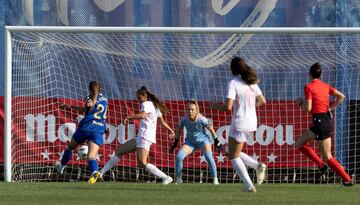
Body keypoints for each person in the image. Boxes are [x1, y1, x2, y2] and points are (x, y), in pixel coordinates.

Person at [95, 86, 175, 184]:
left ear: (144, 96)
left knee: (142, 163)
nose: (138, 100)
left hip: (144, 137)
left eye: (138, 97)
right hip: (141, 137)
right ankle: (101, 173)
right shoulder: (154, 106)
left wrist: (128, 117)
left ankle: (165, 177)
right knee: (120, 151)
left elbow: (142, 115)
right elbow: (162, 122)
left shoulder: (146, 104)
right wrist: (170, 130)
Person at [209, 57, 266, 192]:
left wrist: (215, 106)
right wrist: (250, 108)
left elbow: (228, 107)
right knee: (231, 150)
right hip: (252, 123)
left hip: (240, 123)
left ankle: (249, 186)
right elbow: (262, 101)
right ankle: (258, 166)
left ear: (233, 69)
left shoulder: (234, 82)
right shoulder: (251, 82)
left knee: (233, 157)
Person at [295, 62, 353, 186]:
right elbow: (341, 96)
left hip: (320, 122)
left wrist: (301, 103)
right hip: (324, 120)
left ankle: (346, 179)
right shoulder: (325, 86)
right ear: (320, 75)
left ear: (309, 74)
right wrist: (331, 108)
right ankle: (322, 166)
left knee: (327, 156)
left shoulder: (309, 87)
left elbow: (309, 108)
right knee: (299, 143)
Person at [55, 81, 108, 184]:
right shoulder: (105, 99)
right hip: (98, 130)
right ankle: (95, 172)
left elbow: (90, 105)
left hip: (85, 128)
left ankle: (61, 166)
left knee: (70, 147)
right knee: (91, 157)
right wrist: (71, 107)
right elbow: (87, 109)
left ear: (89, 89)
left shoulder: (89, 97)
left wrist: (90, 102)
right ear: (100, 89)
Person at [169, 100, 222, 185]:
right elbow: (178, 132)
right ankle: (178, 179)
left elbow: (211, 129)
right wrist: (175, 144)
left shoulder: (202, 119)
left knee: (208, 156)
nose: (190, 111)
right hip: (190, 143)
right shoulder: (184, 120)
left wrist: (217, 142)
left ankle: (215, 179)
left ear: (196, 110)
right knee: (179, 156)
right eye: (188, 109)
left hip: (203, 141)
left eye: (192, 109)